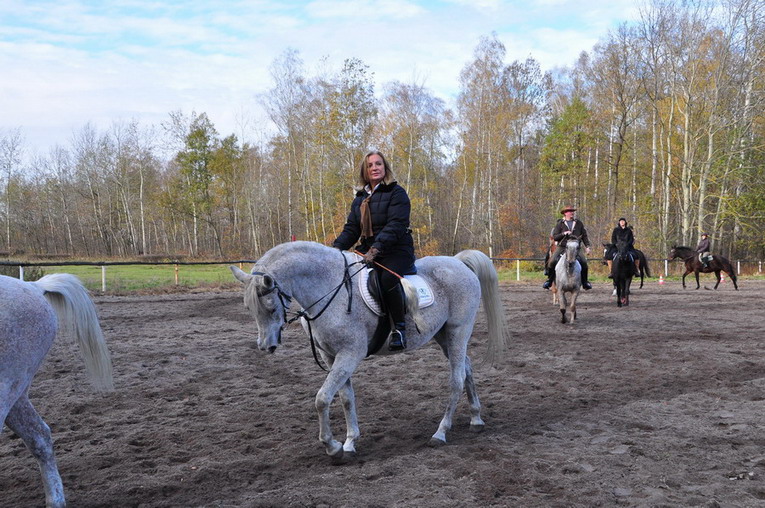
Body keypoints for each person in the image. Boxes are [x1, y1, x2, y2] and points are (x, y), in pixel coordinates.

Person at [333, 150, 415, 351]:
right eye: (370, 165)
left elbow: (396, 225)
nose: (374, 168)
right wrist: (334, 250)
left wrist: (377, 248)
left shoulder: (396, 193)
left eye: (378, 164)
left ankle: (398, 329)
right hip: (368, 250)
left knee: (386, 279)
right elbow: (352, 230)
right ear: (365, 170)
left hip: (396, 249)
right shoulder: (359, 199)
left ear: (385, 167)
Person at [542, 205, 592, 290]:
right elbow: (555, 237)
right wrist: (563, 233)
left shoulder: (579, 223)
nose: (572, 213)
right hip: (563, 246)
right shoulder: (560, 224)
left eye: (572, 211)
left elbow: (584, 236)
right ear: (565, 213)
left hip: (575, 247)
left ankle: (585, 282)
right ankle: (549, 281)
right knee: (552, 262)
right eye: (570, 211)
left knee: (584, 263)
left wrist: (587, 246)